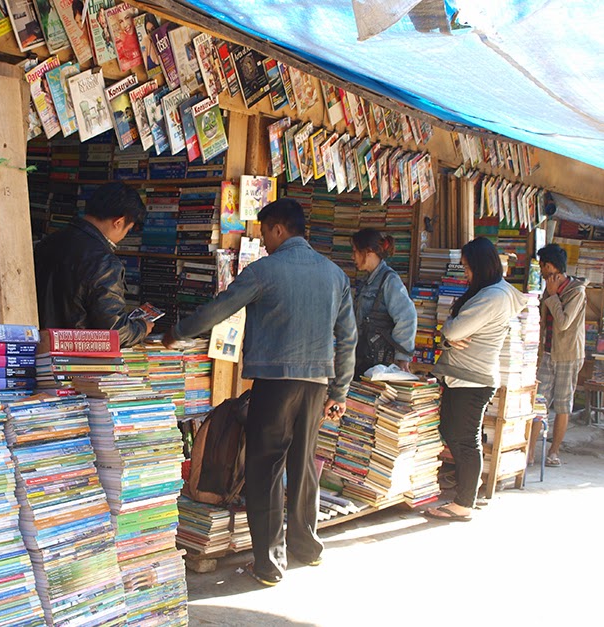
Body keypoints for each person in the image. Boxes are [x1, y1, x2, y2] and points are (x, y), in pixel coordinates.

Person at [162, 198, 357, 586]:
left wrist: (178, 332)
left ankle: (269, 564)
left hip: (275, 383)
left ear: (279, 229)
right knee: (302, 464)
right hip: (317, 383)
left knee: (265, 468)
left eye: (265, 232)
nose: (264, 241)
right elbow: (348, 337)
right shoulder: (335, 275)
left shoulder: (266, 270)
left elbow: (221, 307)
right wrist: (341, 390)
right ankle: (307, 547)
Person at [428, 237, 527, 521]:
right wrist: (448, 338)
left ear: (481, 266)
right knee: (452, 432)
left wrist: (448, 333)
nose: (466, 273)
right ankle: (467, 490)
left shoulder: (493, 297)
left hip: (472, 379)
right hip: (463, 376)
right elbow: (451, 337)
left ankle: (464, 502)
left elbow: (452, 331)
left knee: (465, 440)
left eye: (468, 268)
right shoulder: (491, 292)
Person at [34, 182, 151, 348]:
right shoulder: (104, 261)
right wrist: (141, 328)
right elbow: (114, 332)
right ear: (119, 222)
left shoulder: (47, 242)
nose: (124, 236)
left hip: (36, 347)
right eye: (128, 229)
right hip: (74, 357)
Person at [529, 244, 586, 467]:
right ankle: (530, 450)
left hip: (568, 355)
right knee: (539, 402)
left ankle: (554, 452)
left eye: (544, 266)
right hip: (548, 353)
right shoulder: (548, 289)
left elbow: (563, 323)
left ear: (552, 266)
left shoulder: (576, 292)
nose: (542, 271)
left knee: (563, 404)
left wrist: (553, 297)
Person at [351, 228, 417, 376]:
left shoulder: (389, 280)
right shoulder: (366, 282)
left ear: (368, 251)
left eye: (355, 251)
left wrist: (402, 357)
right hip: (362, 357)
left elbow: (407, 317)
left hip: (380, 361)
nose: (352, 257)